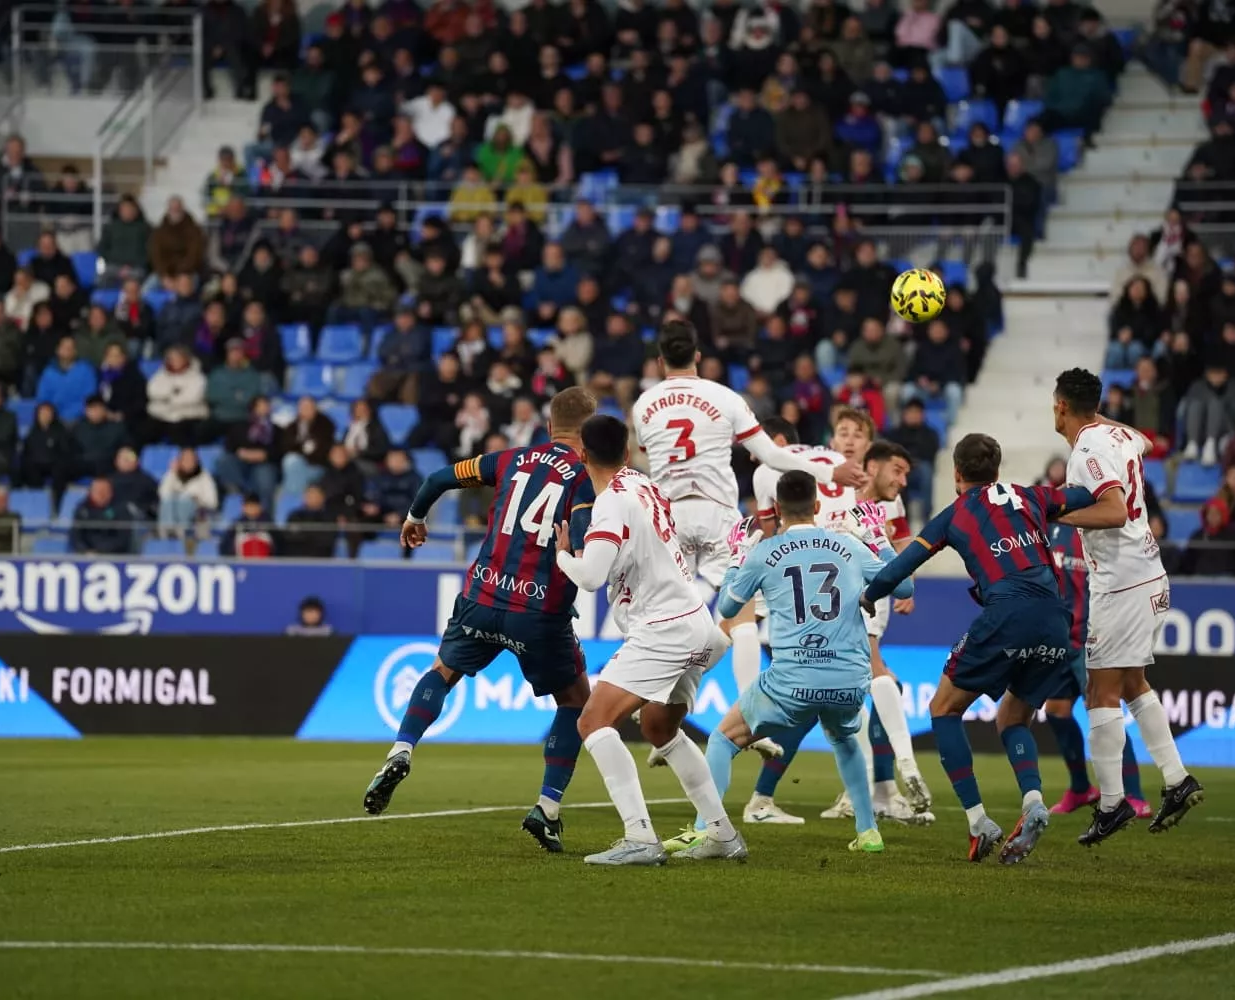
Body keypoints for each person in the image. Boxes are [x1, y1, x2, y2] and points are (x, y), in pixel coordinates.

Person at [361, 387, 601, 856]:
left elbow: (438, 477)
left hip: (483, 596)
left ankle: (402, 749)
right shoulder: (584, 477)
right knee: (575, 701)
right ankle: (547, 809)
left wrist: (414, 517)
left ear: (548, 427)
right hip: (539, 611)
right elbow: (588, 539)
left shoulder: (510, 458)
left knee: (441, 672)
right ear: (588, 435)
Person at [863, 433, 1097, 863]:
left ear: (956, 473)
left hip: (1007, 615)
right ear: (997, 468)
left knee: (943, 708)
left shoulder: (953, 516)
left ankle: (977, 821)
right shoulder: (1033, 496)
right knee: (1012, 718)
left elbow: (899, 567)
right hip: (1055, 621)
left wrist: (868, 595)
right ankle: (1032, 800)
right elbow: (1083, 494)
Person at [632, 319, 866, 717]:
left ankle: (655, 699)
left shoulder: (643, 406)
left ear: (659, 361)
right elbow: (772, 455)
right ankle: (748, 709)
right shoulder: (724, 397)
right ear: (699, 357)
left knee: (671, 618)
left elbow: (643, 449)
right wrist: (830, 472)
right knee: (742, 617)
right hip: (718, 514)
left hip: (668, 518)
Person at [691, 468, 919, 856]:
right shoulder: (848, 545)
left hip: (792, 679)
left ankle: (706, 830)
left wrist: (736, 558)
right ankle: (868, 833)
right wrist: (876, 537)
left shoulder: (764, 551)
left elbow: (728, 607)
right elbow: (905, 586)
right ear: (817, 506)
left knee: (722, 738)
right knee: (844, 738)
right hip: (849, 679)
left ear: (777, 509)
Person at [551, 414, 740, 864]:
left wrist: (563, 555)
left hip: (664, 628)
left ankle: (639, 837)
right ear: (629, 451)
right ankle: (722, 834)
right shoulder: (644, 483)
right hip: (698, 624)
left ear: (581, 455)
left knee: (592, 722)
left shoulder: (611, 503)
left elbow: (592, 577)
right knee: (659, 727)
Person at [1052, 368, 1204, 842]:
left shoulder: (1087, 449)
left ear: (1060, 406)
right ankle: (1177, 780)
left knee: (1101, 691)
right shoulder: (1119, 434)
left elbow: (1114, 510)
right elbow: (1144, 442)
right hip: (1146, 574)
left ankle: (1113, 804)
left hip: (1123, 583)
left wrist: (1058, 511)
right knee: (1135, 682)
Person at [1041, 522, 1150, 817]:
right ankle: (1080, 788)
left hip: (1093, 640)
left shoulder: (1100, 528)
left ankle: (1133, 794)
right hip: (1059, 638)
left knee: (1105, 715)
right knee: (1056, 711)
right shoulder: (1052, 526)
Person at [214, 395, 281, 505]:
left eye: (266, 405)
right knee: (224, 461)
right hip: (241, 461)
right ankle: (236, 496)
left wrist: (265, 455)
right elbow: (230, 445)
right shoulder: (240, 426)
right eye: (260, 406)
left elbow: (280, 450)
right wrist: (242, 453)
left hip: (265, 463)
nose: (264, 408)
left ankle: (264, 515)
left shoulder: (276, 430)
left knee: (265, 477)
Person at [158, 447, 220, 538]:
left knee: (185, 500)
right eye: (185, 459)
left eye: (191, 459)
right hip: (173, 511)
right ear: (179, 461)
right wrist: (172, 473)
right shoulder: (173, 474)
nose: (188, 462)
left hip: (197, 512)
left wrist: (196, 499)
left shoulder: (204, 477)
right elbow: (163, 495)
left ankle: (180, 533)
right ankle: (168, 533)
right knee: (169, 501)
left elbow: (212, 502)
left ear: (196, 460)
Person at [69, 477, 134, 555]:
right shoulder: (82, 509)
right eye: (98, 491)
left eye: (104, 491)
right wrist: (85, 551)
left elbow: (123, 539)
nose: (101, 495)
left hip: (114, 556)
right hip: (86, 555)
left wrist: (101, 552)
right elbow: (76, 536)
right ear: (90, 492)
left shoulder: (121, 510)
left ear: (111, 492)